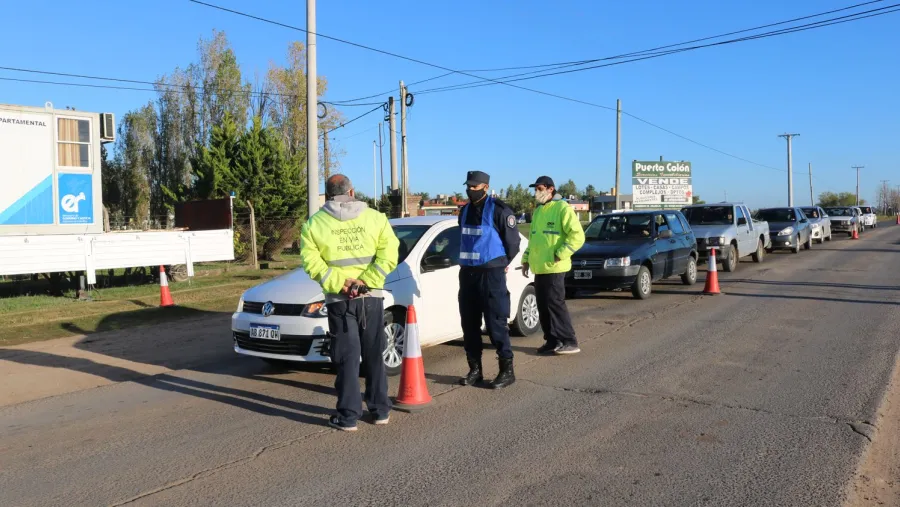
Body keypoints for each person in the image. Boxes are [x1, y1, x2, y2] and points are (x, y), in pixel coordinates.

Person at [300, 174, 399, 432]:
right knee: (374, 355)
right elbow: (389, 253)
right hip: (370, 298)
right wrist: (366, 282)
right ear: (351, 192)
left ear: (328, 194)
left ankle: (348, 416)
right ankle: (380, 410)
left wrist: (341, 284)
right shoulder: (376, 218)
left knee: (347, 358)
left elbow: (312, 263)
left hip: (339, 301)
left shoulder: (314, 224)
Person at [457, 170, 521, 389]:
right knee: (469, 324)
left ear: (485, 187)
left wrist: (501, 263)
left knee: (496, 324)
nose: (470, 190)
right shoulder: (464, 211)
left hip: (491, 274)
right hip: (468, 275)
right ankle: (475, 370)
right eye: (468, 187)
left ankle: (507, 370)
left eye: (474, 187)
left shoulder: (500, 211)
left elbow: (512, 244)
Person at [521, 176, 585, 355]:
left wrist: (560, 254)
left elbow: (578, 236)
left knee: (555, 304)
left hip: (555, 267)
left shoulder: (562, 208)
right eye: (535, 189)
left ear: (551, 189)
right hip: (540, 267)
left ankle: (569, 341)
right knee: (543, 306)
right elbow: (533, 240)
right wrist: (526, 260)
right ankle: (552, 340)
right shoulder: (539, 211)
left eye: (540, 189)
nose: (537, 192)